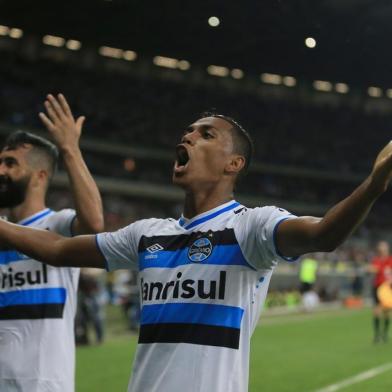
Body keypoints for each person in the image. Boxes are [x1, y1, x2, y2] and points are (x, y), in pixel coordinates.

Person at [0, 113, 391, 392]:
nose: (187, 137)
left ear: (233, 164)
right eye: (187, 131)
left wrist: (373, 185)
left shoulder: (250, 228)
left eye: (205, 135)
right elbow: (56, 247)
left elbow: (324, 234)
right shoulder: (147, 234)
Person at [0, 94, 104, 391]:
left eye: (10, 163)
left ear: (40, 175)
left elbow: (94, 223)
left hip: (43, 384)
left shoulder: (58, 224)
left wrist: (69, 148)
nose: (1, 171)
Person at [369, 240, 392, 343]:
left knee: (387, 312)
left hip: (387, 288)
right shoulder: (376, 260)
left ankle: (385, 334)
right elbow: (372, 269)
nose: (382, 248)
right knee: (376, 311)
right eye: (380, 246)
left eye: (383, 246)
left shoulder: (390, 260)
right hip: (377, 287)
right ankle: (377, 335)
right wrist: (371, 269)